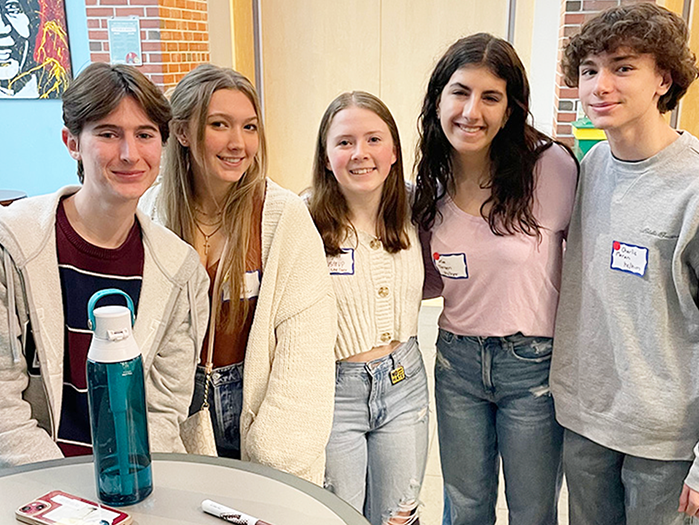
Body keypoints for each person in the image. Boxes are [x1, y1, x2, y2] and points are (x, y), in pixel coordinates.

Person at [551, 4, 699, 524]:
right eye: (589, 70)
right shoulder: (592, 165)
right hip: (587, 422)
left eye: (623, 67)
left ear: (662, 79)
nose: (601, 85)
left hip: (665, 444)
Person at [0, 63, 209, 479]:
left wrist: (130, 488)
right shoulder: (0, 245)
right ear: (72, 142)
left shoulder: (180, 271)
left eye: (144, 135)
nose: (129, 154)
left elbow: (163, 409)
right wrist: (74, 502)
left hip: (131, 482)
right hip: (17, 482)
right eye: (108, 134)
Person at [412, 33, 578, 525]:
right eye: (460, 92)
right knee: (464, 505)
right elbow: (429, 277)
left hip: (532, 367)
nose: (472, 111)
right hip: (456, 363)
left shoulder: (550, 168)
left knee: (531, 509)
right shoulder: (430, 181)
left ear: (510, 109)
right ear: (438, 99)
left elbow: (589, 266)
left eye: (491, 97)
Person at [146, 64, 336, 484]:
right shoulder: (151, 213)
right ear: (181, 132)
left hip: (259, 398)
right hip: (181, 405)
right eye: (219, 125)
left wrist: (276, 450)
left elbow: (305, 341)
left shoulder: (282, 216)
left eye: (249, 127)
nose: (238, 143)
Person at [308, 92, 428, 524]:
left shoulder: (417, 208)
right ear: (325, 156)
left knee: (399, 514)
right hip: (334, 391)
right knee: (337, 514)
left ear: (394, 151)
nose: (360, 154)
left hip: (403, 382)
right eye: (344, 142)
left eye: (374, 139)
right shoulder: (303, 220)